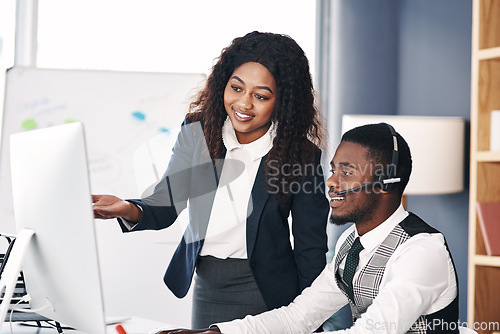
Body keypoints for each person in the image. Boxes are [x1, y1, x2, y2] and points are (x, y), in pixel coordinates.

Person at [92, 31, 330, 328]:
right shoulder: (199, 132)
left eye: (261, 96)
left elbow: (311, 248)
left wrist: (309, 319)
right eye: (236, 88)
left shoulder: (300, 155)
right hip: (209, 286)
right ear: (223, 83)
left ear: (282, 101)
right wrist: (126, 207)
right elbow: (167, 203)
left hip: (269, 295)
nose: (244, 104)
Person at [159, 123, 459, 334]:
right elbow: (298, 318)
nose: (331, 181)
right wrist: (218, 332)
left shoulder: (420, 251)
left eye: (347, 171)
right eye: (333, 169)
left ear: (386, 183)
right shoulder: (351, 243)